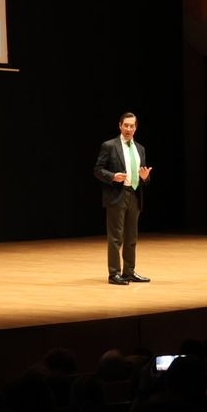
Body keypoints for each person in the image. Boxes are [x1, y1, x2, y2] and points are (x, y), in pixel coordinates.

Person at [93, 111, 153, 285]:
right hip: (117, 195)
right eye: (125, 125)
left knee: (131, 237)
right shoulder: (109, 146)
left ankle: (129, 271)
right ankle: (114, 274)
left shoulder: (140, 149)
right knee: (116, 237)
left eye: (132, 126)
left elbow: (145, 177)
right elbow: (98, 170)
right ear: (120, 126)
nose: (128, 128)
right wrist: (112, 176)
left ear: (136, 128)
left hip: (134, 194)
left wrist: (145, 177)